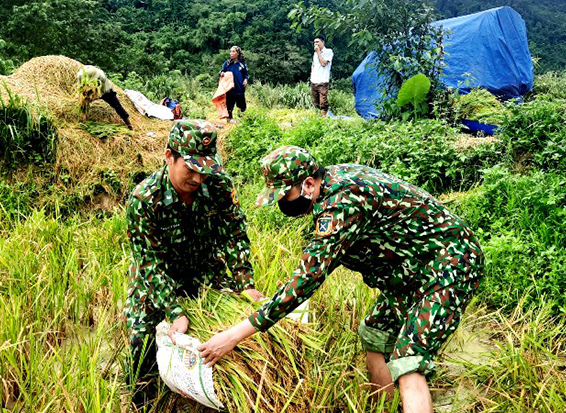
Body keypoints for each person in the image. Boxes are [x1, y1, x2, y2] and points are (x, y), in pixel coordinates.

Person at [198, 146, 483, 413]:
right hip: (410, 271)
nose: (283, 203)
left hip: (449, 262)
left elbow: (309, 276)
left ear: (309, 184)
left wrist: (232, 336)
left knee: (408, 358)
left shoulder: (342, 202)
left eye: (285, 195)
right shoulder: (331, 183)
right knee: (374, 332)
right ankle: (383, 406)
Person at [124, 120, 264, 408]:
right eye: (191, 169)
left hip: (205, 272)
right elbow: (148, 263)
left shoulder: (220, 185)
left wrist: (244, 284)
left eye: (206, 169)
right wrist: (174, 311)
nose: (199, 179)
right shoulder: (144, 199)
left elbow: (234, 234)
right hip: (160, 278)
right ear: (168, 157)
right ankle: (145, 401)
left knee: (240, 327)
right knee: (141, 341)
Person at [76, 65, 134, 130]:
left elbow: (102, 92)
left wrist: (94, 97)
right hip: (89, 90)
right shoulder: (80, 76)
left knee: (117, 106)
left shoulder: (101, 76)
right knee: (83, 103)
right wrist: (84, 96)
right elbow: (80, 88)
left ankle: (129, 125)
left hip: (105, 91)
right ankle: (84, 120)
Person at [220, 46, 249, 120]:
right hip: (230, 89)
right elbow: (222, 71)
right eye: (230, 51)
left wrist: (245, 80)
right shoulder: (227, 63)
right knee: (229, 106)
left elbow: (246, 74)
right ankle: (229, 120)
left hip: (239, 88)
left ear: (238, 53)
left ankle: (242, 120)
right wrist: (222, 73)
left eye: (233, 51)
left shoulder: (242, 64)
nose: (231, 53)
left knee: (242, 107)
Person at [310, 36, 333, 117]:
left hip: (323, 81)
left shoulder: (328, 51)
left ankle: (323, 119)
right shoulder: (315, 54)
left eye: (317, 42)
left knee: (323, 103)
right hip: (314, 81)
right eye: (314, 42)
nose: (316, 44)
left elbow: (323, 63)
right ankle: (317, 119)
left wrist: (319, 52)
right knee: (315, 103)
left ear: (322, 42)